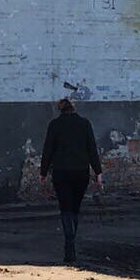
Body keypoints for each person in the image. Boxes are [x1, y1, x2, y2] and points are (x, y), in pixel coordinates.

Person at [39, 96, 102, 263]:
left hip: (61, 172)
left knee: (65, 207)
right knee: (75, 207)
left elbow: (48, 150)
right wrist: (98, 172)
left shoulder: (54, 125)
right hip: (81, 172)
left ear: (60, 109)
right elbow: (92, 149)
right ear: (74, 108)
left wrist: (43, 172)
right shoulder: (85, 124)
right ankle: (72, 240)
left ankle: (69, 245)